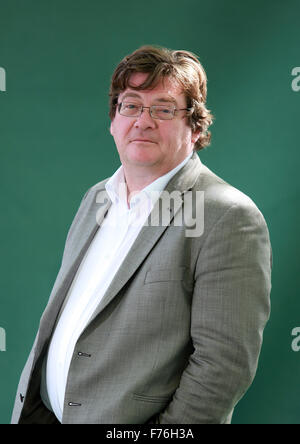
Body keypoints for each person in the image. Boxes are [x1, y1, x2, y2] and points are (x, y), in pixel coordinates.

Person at [11, 45, 272, 424]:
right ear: (113, 120)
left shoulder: (227, 215)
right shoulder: (97, 198)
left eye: (164, 109)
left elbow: (224, 367)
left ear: (195, 127)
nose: (143, 121)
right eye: (130, 105)